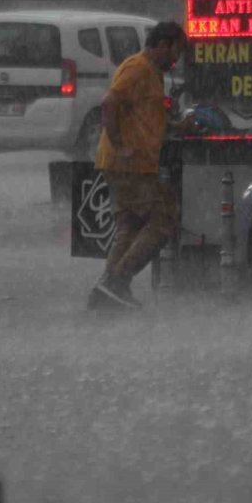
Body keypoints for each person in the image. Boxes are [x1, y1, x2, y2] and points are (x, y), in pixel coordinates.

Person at [88, 21, 196, 309]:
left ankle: (105, 291)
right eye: (176, 52)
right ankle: (119, 280)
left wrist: (176, 125)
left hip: (133, 164)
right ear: (162, 44)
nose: (176, 60)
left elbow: (146, 118)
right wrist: (120, 144)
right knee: (165, 218)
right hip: (128, 165)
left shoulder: (154, 75)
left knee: (131, 224)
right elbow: (109, 102)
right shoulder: (137, 68)